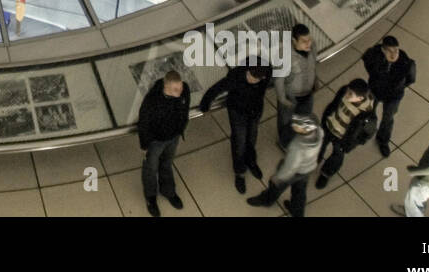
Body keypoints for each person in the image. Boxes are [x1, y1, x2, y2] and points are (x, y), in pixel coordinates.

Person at [198, 61, 270, 194]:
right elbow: (216, 89)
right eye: (250, 74)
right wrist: (205, 105)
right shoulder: (236, 76)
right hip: (238, 112)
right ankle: (240, 172)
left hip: (254, 111)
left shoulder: (266, 72)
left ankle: (251, 160)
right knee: (239, 142)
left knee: (252, 138)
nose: (250, 78)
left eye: (255, 78)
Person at [247, 112, 322, 216]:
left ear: (304, 131)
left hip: (295, 172)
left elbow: (290, 168)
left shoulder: (298, 147)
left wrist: (277, 178)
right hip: (308, 169)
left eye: (297, 126)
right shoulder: (319, 132)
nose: (294, 125)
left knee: (276, 187)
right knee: (299, 192)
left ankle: (266, 200)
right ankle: (297, 212)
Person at [137, 69, 189, 216]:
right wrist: (144, 146)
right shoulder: (152, 101)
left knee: (167, 163)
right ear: (166, 88)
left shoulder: (184, 91)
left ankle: (168, 191)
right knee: (150, 169)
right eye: (176, 89)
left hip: (173, 137)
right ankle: (151, 197)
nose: (180, 91)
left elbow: (184, 111)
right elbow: (144, 124)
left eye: (180, 87)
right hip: (156, 141)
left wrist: (181, 130)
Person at [314, 78, 377, 189]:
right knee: (320, 145)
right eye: (348, 91)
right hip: (329, 126)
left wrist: (351, 144)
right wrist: (325, 119)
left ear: (360, 98)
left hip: (343, 139)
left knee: (336, 158)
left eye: (350, 94)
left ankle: (325, 174)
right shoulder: (344, 91)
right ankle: (314, 161)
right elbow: (333, 105)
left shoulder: (367, 115)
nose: (346, 95)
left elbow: (367, 134)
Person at [362, 35, 416, 157]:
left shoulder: (406, 62)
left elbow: (410, 79)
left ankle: (383, 140)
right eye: (390, 51)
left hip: (394, 95)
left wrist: (398, 87)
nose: (394, 54)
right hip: (375, 90)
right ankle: (367, 132)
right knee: (369, 113)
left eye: (396, 50)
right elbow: (368, 64)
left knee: (388, 118)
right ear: (383, 50)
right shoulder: (373, 55)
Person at [275, 23, 318, 149]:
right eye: (304, 41)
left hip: (308, 93)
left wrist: (315, 80)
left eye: (309, 39)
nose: (308, 43)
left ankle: (297, 136)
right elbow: (278, 79)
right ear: (294, 41)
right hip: (290, 96)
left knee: (304, 116)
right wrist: (282, 99)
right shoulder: (284, 54)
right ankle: (284, 143)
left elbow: (313, 64)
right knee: (286, 121)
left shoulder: (312, 46)